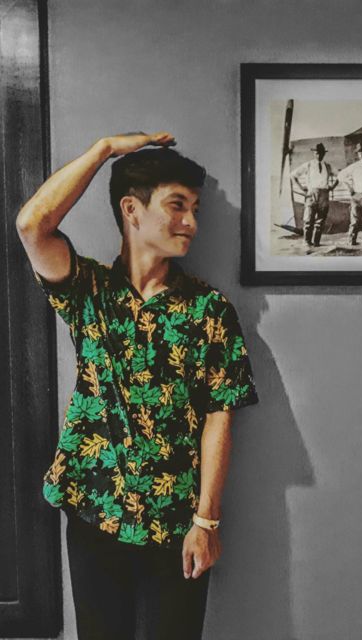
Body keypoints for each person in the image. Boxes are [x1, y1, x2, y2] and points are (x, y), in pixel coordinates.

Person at [15, 132, 258, 639]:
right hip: (95, 511)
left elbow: (220, 416)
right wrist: (104, 149)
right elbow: (32, 224)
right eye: (177, 206)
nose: (191, 223)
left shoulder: (208, 310)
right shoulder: (89, 291)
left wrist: (207, 521)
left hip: (176, 522)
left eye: (195, 209)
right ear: (132, 209)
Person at [290, 142, 337, 247]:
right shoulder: (308, 165)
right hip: (311, 194)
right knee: (308, 219)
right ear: (314, 153)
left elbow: (340, 175)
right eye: (317, 153)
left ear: (324, 154)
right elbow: (293, 175)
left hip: (324, 194)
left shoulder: (328, 166)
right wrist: (302, 189)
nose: (319, 155)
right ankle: (307, 242)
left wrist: (332, 187)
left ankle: (316, 243)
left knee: (320, 221)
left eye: (321, 153)